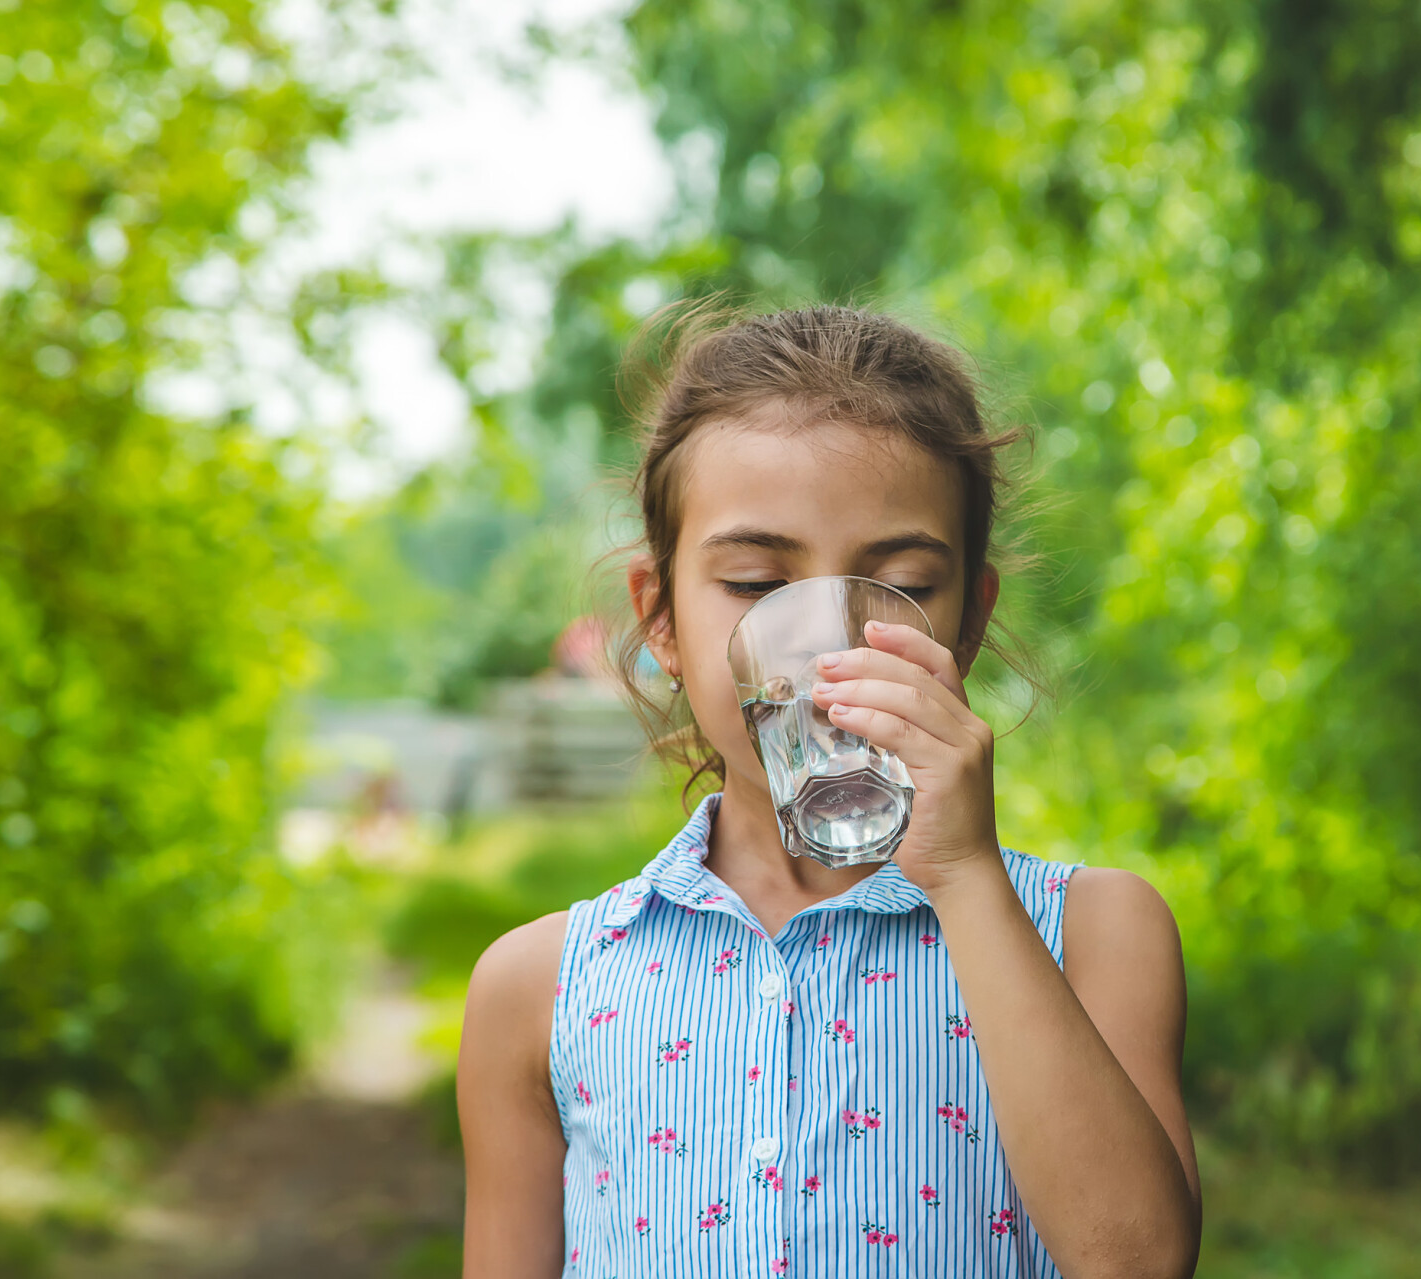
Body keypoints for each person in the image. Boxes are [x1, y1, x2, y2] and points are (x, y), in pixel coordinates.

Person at [457, 305, 1201, 1278]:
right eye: (760, 582)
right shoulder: (541, 989)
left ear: (967, 623)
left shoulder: (1096, 933)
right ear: (663, 619)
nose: (825, 639)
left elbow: (1140, 1264)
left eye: (900, 583)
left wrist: (966, 873)